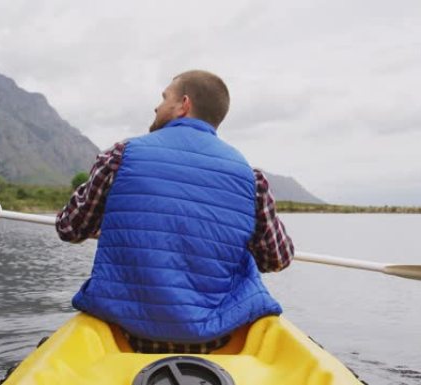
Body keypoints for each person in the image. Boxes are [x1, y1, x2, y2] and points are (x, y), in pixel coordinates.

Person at [56, 70, 294, 354]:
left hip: (125, 332)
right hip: (215, 337)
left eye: (164, 98)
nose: (157, 107)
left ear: (183, 104)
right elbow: (276, 259)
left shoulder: (119, 156)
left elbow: (70, 228)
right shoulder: (252, 179)